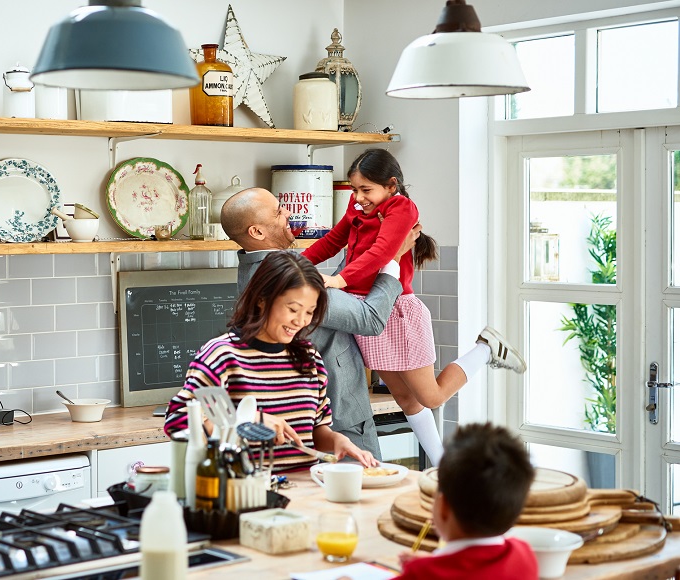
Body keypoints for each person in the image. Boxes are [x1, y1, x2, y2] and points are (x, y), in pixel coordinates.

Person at [302, 149, 526, 466]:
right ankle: (441, 465)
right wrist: (293, 266)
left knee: (430, 396)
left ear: (391, 185)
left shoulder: (402, 209)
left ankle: (486, 349)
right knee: (405, 399)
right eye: (355, 189)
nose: (358, 197)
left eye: (366, 189)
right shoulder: (357, 209)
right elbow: (330, 241)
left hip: (397, 313)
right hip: (368, 311)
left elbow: (382, 253)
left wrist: (340, 279)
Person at [220, 187, 417, 460]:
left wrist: (367, 250)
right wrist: (393, 259)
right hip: (338, 421)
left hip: (317, 422)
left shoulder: (260, 270)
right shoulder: (286, 278)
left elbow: (331, 294)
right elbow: (369, 319)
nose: (288, 212)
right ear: (256, 232)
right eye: (278, 212)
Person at [163, 251, 377, 472]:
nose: (300, 321)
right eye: (293, 309)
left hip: (305, 493)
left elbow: (314, 431)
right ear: (262, 300)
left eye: (309, 312)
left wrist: (337, 442)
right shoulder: (222, 356)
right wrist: (250, 419)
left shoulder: (309, 359)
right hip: (245, 495)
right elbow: (177, 423)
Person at [396, 423, 538, 580]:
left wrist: (424, 568)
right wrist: (435, 562)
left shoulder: (421, 574)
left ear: (443, 507)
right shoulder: (524, 555)